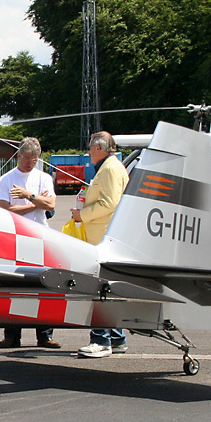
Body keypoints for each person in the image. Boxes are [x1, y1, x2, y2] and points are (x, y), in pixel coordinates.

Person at [0, 137, 60, 349]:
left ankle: (45, 335)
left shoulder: (44, 178)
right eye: (27, 158)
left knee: (44, 286)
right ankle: (12, 335)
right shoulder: (6, 179)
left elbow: (50, 204)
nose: (30, 162)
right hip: (15, 237)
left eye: (35, 159)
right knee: (14, 286)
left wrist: (26, 196)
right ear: (19, 156)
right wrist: (35, 202)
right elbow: (5, 210)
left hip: (40, 236)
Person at [71, 131, 129, 359]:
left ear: (99, 148)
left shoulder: (110, 169)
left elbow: (108, 203)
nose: (88, 152)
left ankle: (100, 340)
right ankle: (116, 338)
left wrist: (82, 215)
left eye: (90, 148)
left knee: (100, 289)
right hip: (105, 234)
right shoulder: (111, 167)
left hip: (103, 236)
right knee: (109, 288)